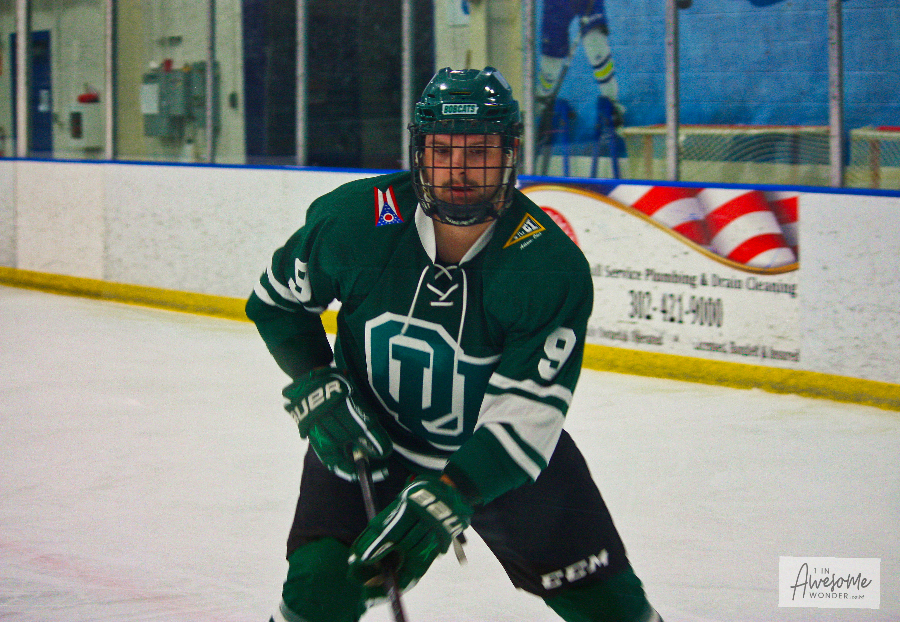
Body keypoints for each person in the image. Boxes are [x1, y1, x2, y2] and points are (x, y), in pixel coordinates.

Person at [247, 66, 661, 622]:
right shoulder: (355, 220)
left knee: (614, 610)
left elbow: (526, 415)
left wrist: (454, 491)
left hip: (494, 458)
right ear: (419, 151)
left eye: (479, 151)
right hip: (370, 441)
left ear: (509, 153)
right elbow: (276, 304)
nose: (458, 170)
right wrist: (316, 380)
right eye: (441, 150)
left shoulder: (546, 265)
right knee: (318, 589)